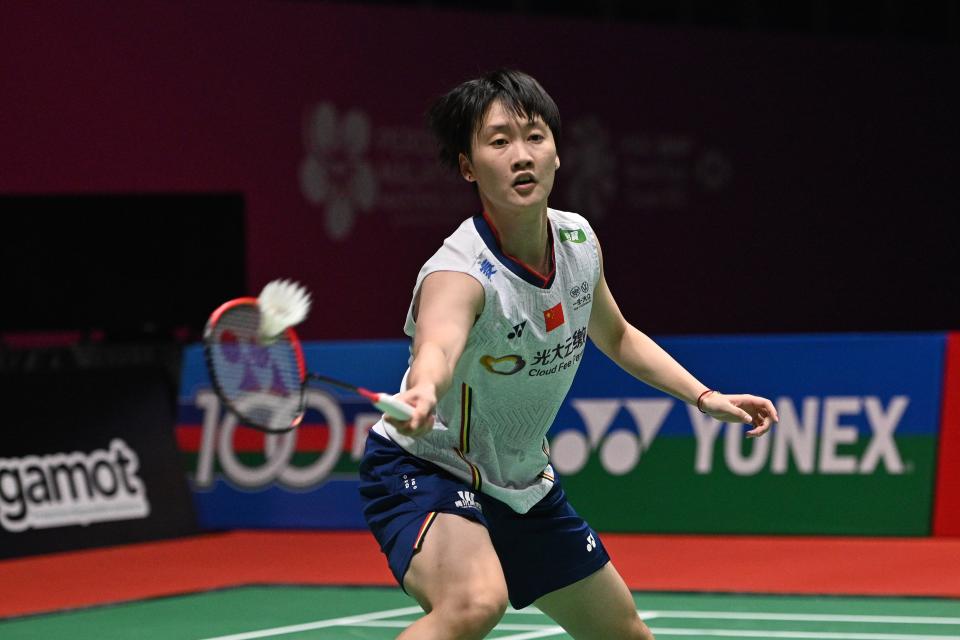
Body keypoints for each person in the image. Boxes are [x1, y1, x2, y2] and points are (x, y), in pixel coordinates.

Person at [358, 69, 778, 640]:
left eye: (534, 137)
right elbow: (438, 341)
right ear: (467, 165)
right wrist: (426, 387)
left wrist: (704, 397)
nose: (521, 155)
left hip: (522, 481)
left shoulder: (578, 241)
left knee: (625, 633)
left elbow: (619, 336)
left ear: (557, 153)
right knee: (474, 602)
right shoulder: (458, 273)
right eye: (499, 141)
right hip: (427, 468)